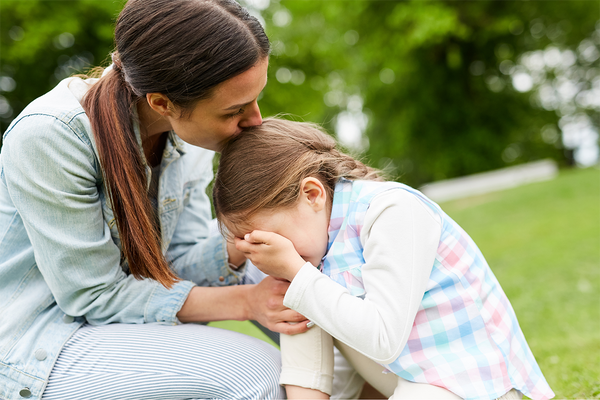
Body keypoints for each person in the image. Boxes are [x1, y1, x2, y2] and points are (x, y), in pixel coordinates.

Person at [0, 1, 312, 398]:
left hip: (116, 325)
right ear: (162, 103)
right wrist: (246, 302)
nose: (255, 119)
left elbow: (173, 267)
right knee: (256, 372)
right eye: (234, 109)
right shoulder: (50, 136)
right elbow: (91, 295)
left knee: (318, 306)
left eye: (256, 98)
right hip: (39, 340)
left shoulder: (191, 138)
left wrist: (242, 243)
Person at [212, 118, 556, 400]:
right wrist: (296, 275)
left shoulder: (392, 211)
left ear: (313, 194)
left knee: (305, 291)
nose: (265, 255)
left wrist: (297, 273)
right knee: (297, 308)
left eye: (265, 238)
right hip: (403, 383)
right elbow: (307, 368)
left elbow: (383, 338)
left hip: (466, 383)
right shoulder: (307, 253)